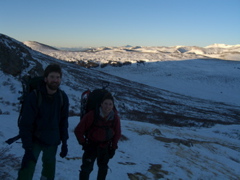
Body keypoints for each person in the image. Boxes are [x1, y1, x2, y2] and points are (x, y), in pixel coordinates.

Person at [17, 64, 69, 180]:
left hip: (53, 140)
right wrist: (27, 146)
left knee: (49, 169)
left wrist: (64, 142)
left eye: (57, 77)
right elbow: (25, 123)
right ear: (45, 79)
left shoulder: (62, 97)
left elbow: (63, 122)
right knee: (28, 168)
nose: (55, 80)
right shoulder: (34, 96)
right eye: (52, 77)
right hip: (35, 140)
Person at [74, 93, 121, 180]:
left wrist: (113, 148)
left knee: (103, 169)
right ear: (101, 104)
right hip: (91, 146)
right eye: (105, 103)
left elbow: (117, 134)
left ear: (113, 105)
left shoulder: (115, 117)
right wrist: (84, 143)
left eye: (110, 104)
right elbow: (78, 130)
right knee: (86, 169)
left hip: (105, 147)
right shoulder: (92, 114)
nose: (108, 106)